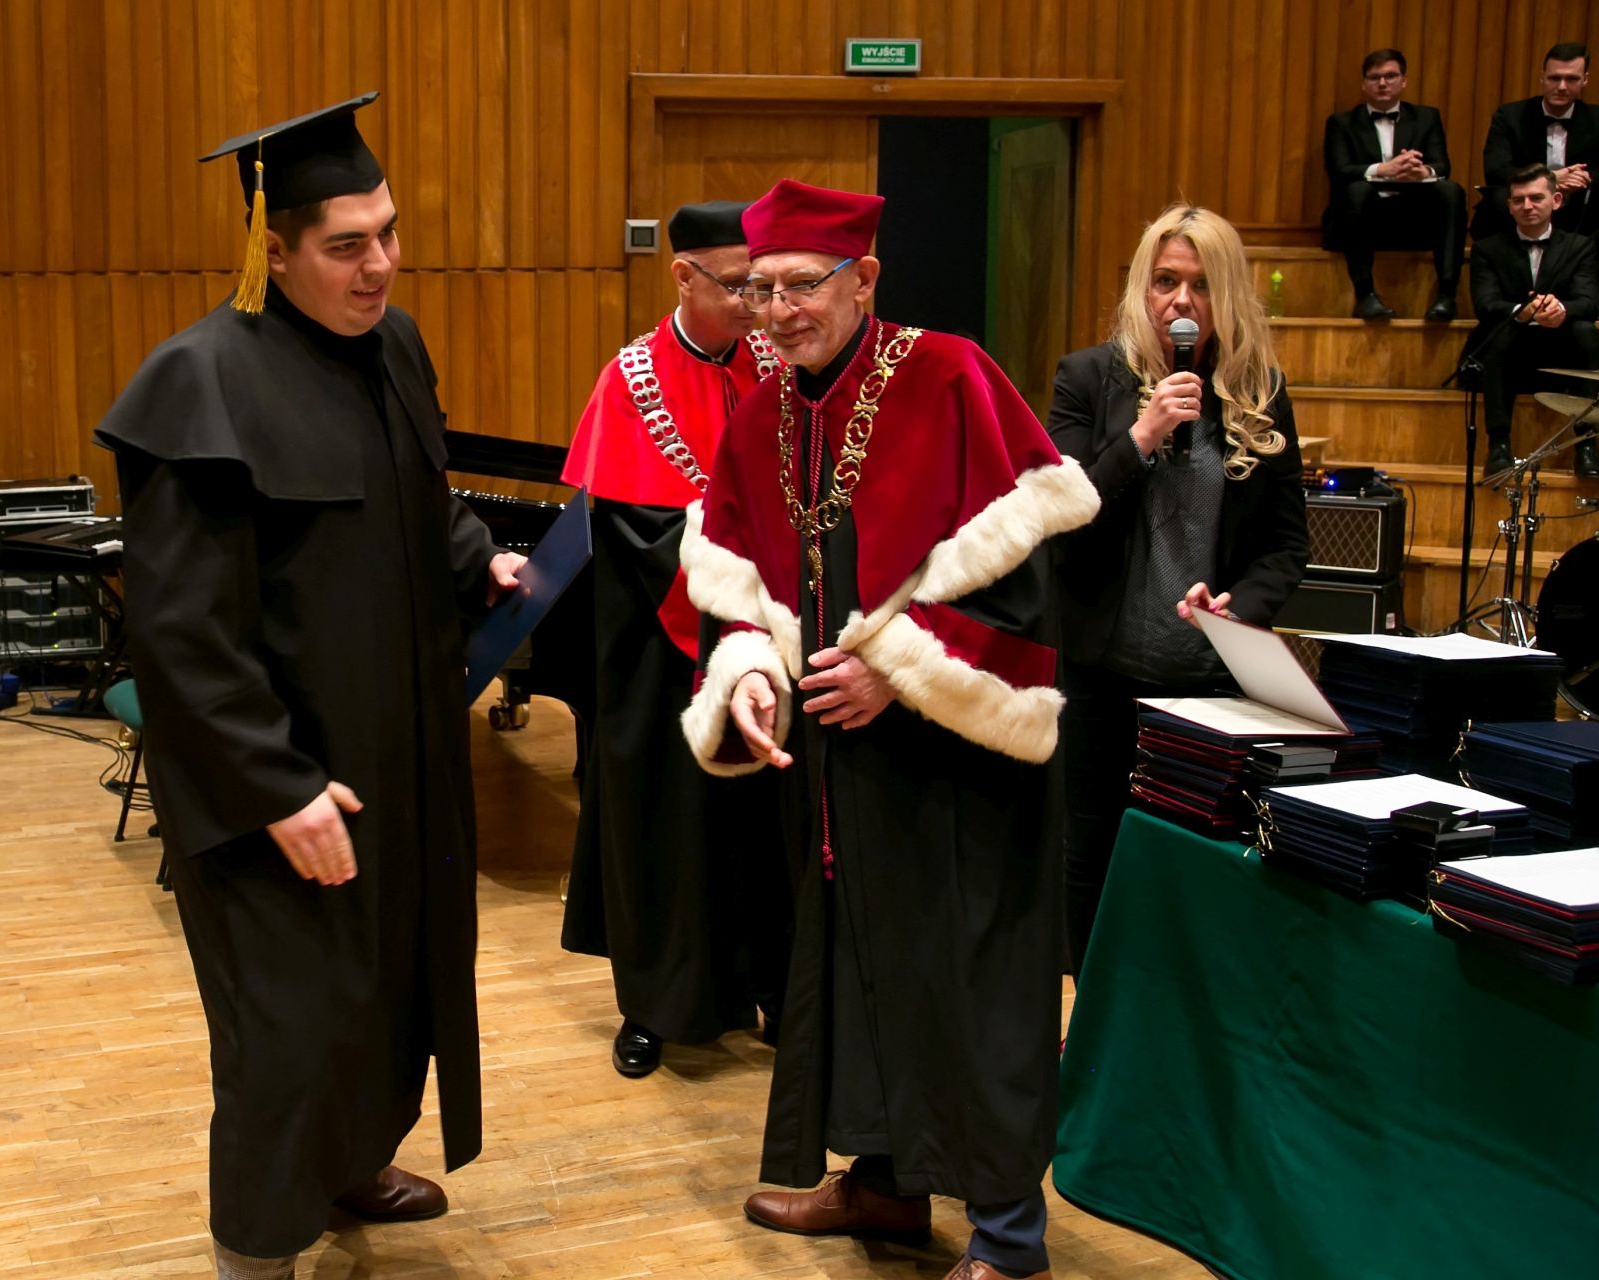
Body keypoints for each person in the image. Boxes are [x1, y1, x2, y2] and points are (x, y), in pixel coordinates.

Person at [93, 93, 524, 1280]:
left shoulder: (394, 345)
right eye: (345, 245)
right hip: (276, 785)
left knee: (386, 988)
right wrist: (276, 784)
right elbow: (181, 633)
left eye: (388, 232)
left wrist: (476, 557)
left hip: (397, 758)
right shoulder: (199, 382)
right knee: (286, 1031)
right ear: (270, 250)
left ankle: (351, 1158)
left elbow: (416, 492)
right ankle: (257, 1253)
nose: (378, 264)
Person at [679, 178, 1100, 1280]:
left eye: (801, 287)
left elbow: (1026, 579)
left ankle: (1009, 1238)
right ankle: (884, 1184)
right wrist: (751, 671)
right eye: (760, 290)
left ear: (863, 277)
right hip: (836, 763)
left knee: (971, 978)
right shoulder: (765, 414)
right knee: (858, 960)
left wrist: (901, 673)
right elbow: (732, 579)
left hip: (958, 762)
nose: (779, 312)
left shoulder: (951, 375)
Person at [558, 200, 793, 1078]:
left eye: (761, 285)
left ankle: (774, 991)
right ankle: (655, 1007)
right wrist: (735, 580)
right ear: (683, 277)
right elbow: (640, 534)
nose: (754, 305)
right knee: (666, 830)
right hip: (664, 654)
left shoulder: (776, 366)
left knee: (765, 831)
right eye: (736, 286)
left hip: (768, 636)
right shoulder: (633, 381)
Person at [1047, 205, 1309, 974]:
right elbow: (1057, 521)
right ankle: (1091, 1018)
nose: (1181, 302)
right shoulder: (1087, 380)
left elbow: (1285, 545)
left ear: (1226, 295)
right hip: (1100, 673)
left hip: (1206, 679)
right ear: (1142, 287)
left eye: (1200, 285)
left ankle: (1177, 1019)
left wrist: (1241, 608)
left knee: (1194, 865)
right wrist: (1142, 437)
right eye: (1165, 282)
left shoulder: (1261, 391)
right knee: (1090, 855)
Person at [1467, 163, 1599, 479]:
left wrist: (1561, 309)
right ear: (1509, 206)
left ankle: (1586, 445)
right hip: (1513, 348)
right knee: (1497, 332)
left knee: (1587, 333)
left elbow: (1589, 301)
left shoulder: (1580, 245)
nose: (1527, 206)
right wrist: (1521, 311)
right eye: (1519, 200)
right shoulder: (1487, 249)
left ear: (1556, 200)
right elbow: (1485, 304)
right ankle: (1499, 445)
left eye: (1536, 198)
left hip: (1561, 348)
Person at [1321, 47, 1467, 320]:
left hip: (1412, 216)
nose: (1382, 83)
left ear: (1404, 81)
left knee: (1450, 191)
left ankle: (1447, 296)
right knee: (1356, 189)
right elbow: (1339, 170)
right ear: (1364, 84)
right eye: (1374, 77)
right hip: (1364, 217)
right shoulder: (1342, 122)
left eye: (1390, 76)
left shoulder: (1427, 117)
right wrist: (1383, 170)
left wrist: (1421, 171)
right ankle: (1365, 295)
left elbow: (1442, 166)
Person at [1475, 42, 1599, 239]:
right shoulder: (1510, 116)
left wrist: (1583, 178)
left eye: (1571, 79)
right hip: (1526, 199)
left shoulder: (1596, 118)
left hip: (1578, 202)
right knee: (1498, 199)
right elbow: (1496, 170)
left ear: (1585, 79)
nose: (1562, 87)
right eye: (1554, 78)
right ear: (1542, 76)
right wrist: (1551, 179)